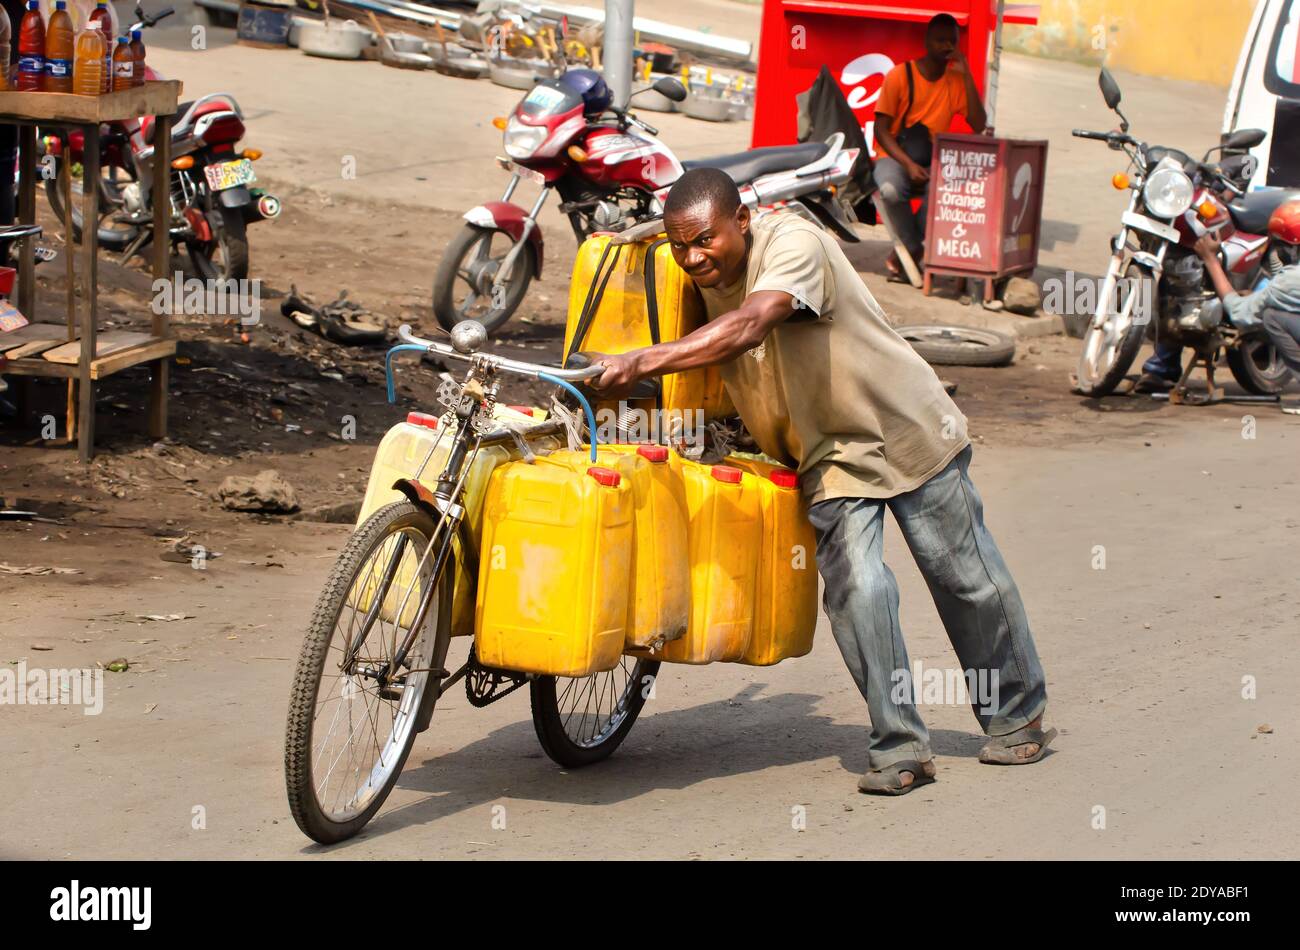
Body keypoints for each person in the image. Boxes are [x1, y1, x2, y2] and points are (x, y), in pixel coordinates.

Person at [587, 168, 1055, 795]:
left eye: (705, 240)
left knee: (963, 578)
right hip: (827, 452)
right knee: (858, 589)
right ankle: (901, 746)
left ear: (743, 222)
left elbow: (755, 322)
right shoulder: (691, 272)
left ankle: (1016, 715)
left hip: (902, 425)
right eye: (682, 245)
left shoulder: (792, 244)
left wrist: (641, 360)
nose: (694, 258)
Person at [1138, 199, 1300, 397]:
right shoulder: (1287, 283)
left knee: (1272, 318)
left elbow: (1239, 312)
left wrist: (1210, 259)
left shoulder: (1288, 281)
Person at [872, 12, 987, 281]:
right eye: (939, 40)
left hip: (935, 160)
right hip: (894, 156)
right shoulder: (900, 75)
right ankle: (913, 250)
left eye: (951, 41)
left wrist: (966, 72)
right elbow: (881, 129)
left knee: (946, 193)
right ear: (926, 41)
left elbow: (979, 123)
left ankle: (907, 256)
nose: (946, 46)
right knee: (889, 190)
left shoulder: (955, 82)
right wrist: (909, 164)